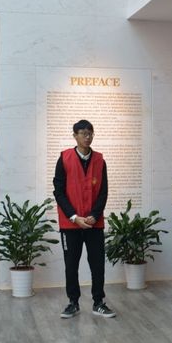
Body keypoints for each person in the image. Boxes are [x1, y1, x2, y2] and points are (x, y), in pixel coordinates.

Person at [53, 120, 114, 318]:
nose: (87, 137)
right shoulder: (64, 158)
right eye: (83, 133)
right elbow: (58, 192)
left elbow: (103, 192)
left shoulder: (100, 160)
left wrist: (94, 215)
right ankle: (73, 302)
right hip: (70, 223)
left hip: (94, 223)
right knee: (71, 265)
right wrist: (74, 216)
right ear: (75, 136)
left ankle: (98, 302)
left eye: (90, 133)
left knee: (97, 264)